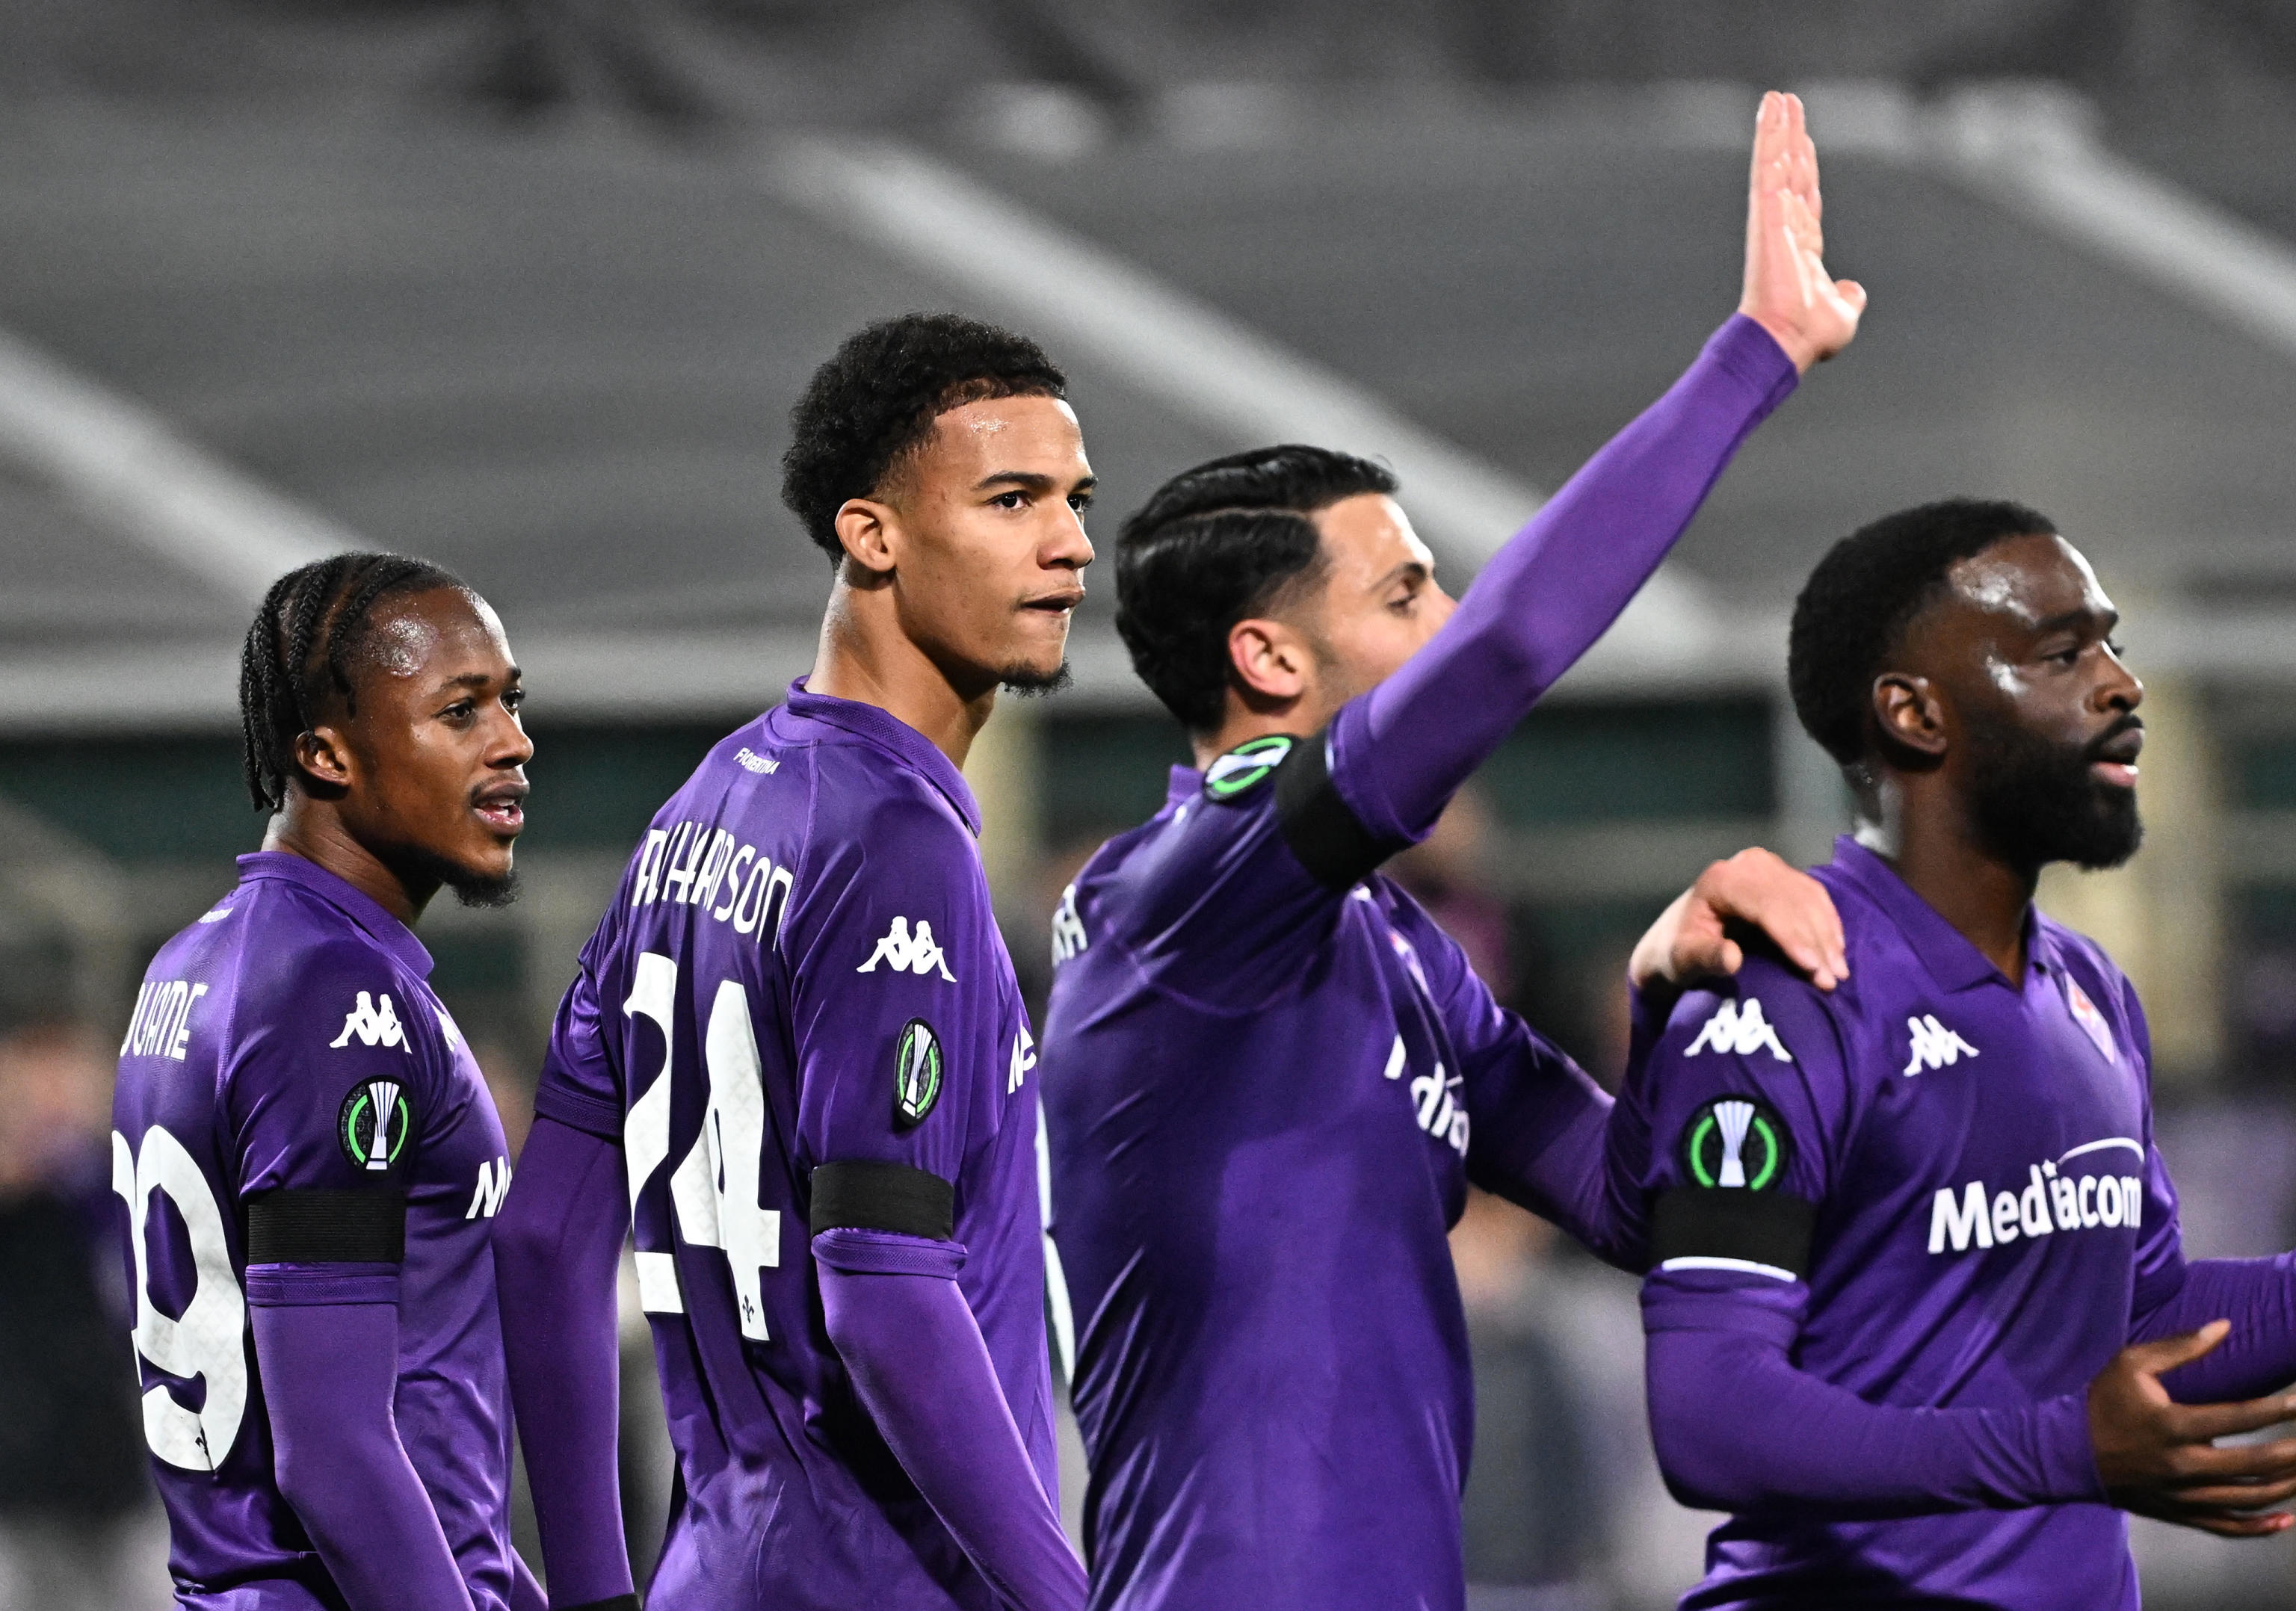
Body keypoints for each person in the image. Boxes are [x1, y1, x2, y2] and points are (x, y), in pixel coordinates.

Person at [1037, 90, 1862, 1611]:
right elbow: (1506, 656)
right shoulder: (1181, 902)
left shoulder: (1393, 946)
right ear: (1270, 660)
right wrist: (1750, 357)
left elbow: (1632, 1204)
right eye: (1406, 591)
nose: (1445, 623)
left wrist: (1671, 989)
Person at [494, 314, 1093, 1611]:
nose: (1071, 545)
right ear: (870, 533)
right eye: (1012, 500)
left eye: (1072, 500)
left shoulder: (699, 812)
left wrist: (599, 1592)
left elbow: (544, 1240)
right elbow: (884, 1295)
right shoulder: (893, 842)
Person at [1614, 498, 2296, 1609]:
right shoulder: (1783, 997)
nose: (2122, 684)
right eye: (2062, 654)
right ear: (1915, 716)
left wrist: (2083, 1438)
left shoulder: (2088, 993)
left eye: (2112, 644)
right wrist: (2065, 1454)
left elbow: (2130, 1318)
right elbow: (1710, 1418)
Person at [109, 553, 540, 1611]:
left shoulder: (194, 964)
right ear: (324, 754)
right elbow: (337, 1457)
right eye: (460, 711)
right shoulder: (334, 996)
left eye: (509, 702)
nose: (514, 744)